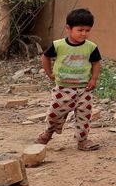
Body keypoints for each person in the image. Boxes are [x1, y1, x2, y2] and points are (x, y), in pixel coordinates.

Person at [37, 8, 103, 151]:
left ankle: (82, 141)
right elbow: (45, 57)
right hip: (63, 88)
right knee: (55, 114)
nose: (84, 34)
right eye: (80, 30)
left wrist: (94, 79)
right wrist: (49, 74)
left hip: (83, 89)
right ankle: (48, 133)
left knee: (84, 116)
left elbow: (96, 63)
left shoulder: (91, 47)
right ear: (68, 28)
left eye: (87, 30)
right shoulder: (58, 45)